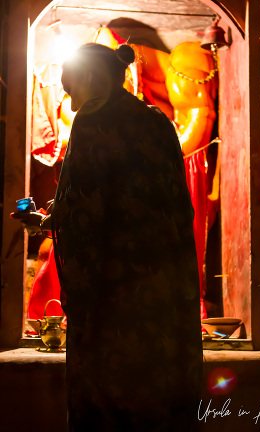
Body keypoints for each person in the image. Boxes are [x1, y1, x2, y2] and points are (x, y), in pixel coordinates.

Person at [15, 42, 203, 431]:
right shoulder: (158, 122)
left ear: (88, 77)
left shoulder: (92, 120)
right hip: (162, 289)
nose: (68, 103)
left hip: (113, 293)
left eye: (70, 90)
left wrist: (45, 222)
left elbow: (82, 208)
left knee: (106, 404)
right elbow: (170, 205)